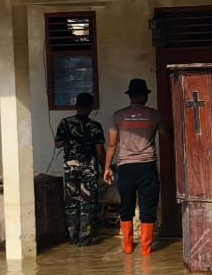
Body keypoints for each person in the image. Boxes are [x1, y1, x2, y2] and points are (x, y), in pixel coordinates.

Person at [102, 78, 167, 256]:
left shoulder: (118, 115)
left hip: (126, 168)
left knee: (126, 207)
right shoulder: (155, 115)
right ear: (145, 96)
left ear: (130, 96)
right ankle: (146, 250)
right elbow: (165, 136)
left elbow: (112, 145)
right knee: (148, 208)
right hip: (147, 167)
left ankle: (128, 247)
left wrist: (107, 167)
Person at [54, 92, 106, 246]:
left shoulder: (65, 123)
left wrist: (70, 140)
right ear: (91, 107)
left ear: (76, 106)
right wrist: (106, 168)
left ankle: (72, 237)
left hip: (70, 167)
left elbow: (57, 144)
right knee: (87, 202)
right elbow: (99, 150)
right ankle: (85, 237)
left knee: (71, 201)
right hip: (88, 167)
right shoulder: (95, 126)